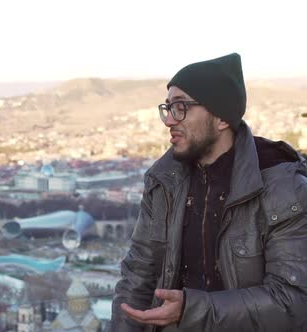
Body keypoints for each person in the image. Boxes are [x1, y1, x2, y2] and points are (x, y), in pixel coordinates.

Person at [110, 53, 307, 331]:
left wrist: (192, 309)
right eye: (167, 108)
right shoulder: (163, 181)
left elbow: (293, 300)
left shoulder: (283, 188)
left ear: (222, 118)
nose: (169, 120)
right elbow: (138, 276)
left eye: (181, 107)